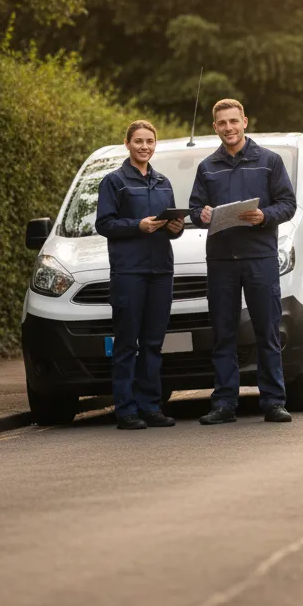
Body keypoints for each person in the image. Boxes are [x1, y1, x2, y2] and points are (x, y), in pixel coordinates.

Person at [189, 99, 297, 424]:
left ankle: (273, 402)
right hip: (221, 262)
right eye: (222, 123)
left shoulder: (269, 162)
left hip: (260, 259)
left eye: (234, 121)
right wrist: (202, 214)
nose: (229, 128)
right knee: (223, 334)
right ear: (215, 127)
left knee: (267, 331)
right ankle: (224, 404)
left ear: (245, 122)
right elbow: (195, 210)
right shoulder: (207, 167)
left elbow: (288, 204)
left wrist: (265, 215)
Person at [95, 120, 184, 430]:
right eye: (138, 141)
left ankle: (151, 407)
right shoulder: (114, 181)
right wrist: (137, 226)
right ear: (127, 144)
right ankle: (126, 410)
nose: (144, 146)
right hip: (129, 273)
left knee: (152, 343)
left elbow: (171, 227)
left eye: (149, 141)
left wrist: (176, 227)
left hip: (161, 271)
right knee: (126, 344)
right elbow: (104, 224)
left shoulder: (163, 183)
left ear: (154, 145)